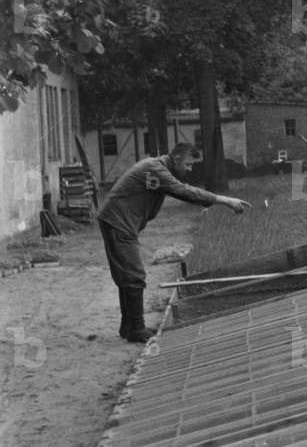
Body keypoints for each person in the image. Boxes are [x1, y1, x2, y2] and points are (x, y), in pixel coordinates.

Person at [97, 143, 251, 342]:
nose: (189, 169)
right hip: (118, 222)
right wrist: (223, 199)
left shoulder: (158, 168)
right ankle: (136, 329)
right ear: (177, 158)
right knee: (134, 275)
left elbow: (178, 191)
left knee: (127, 276)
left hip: (115, 220)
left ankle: (128, 327)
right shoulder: (155, 169)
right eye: (187, 164)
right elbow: (184, 191)